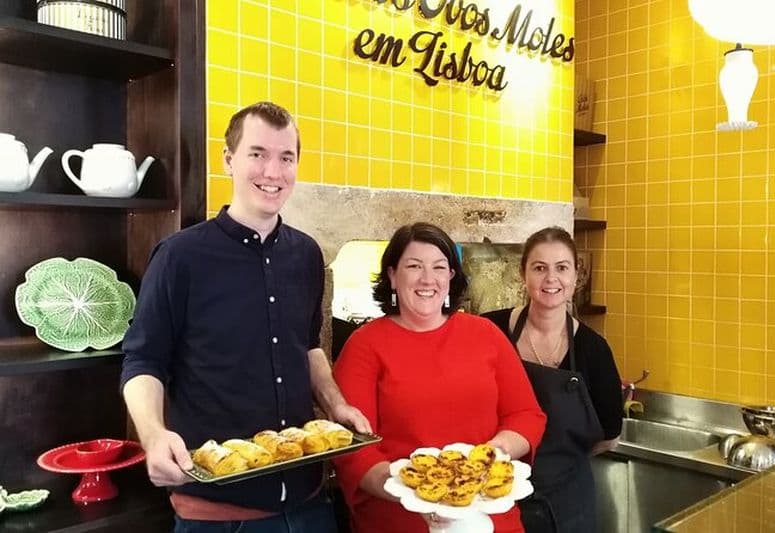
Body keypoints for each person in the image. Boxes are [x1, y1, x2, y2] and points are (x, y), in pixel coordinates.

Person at [120, 101, 370, 533]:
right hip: (218, 511)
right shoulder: (179, 257)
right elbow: (143, 361)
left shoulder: (307, 254)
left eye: (285, 158)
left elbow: (308, 345)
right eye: (257, 154)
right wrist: (153, 433)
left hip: (308, 502)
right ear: (228, 159)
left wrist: (336, 404)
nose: (273, 172)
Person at [332, 222, 547, 533]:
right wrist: (415, 492)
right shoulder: (365, 345)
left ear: (451, 276)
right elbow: (353, 447)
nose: (427, 279)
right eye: (414, 266)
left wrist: (488, 457)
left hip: (489, 520)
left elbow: (526, 415)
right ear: (392, 275)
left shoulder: (485, 334)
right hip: (399, 521)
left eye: (438, 267)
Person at [482, 226, 623, 533]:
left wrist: (559, 463)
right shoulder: (488, 331)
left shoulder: (593, 349)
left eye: (561, 268)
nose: (551, 279)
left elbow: (610, 432)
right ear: (523, 274)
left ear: (576, 276)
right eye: (539, 268)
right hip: (495, 495)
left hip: (568, 502)